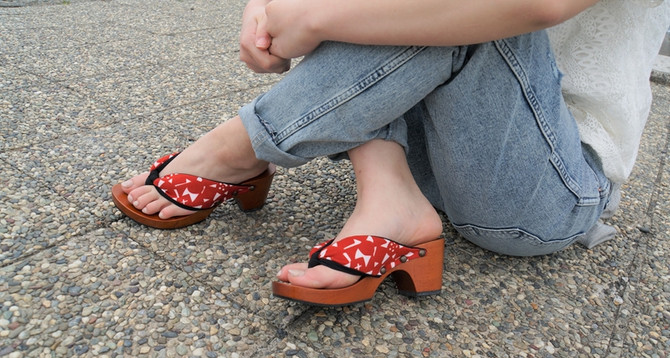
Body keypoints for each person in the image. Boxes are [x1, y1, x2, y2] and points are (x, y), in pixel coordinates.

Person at [112, 0, 670, 305]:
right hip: (440, 145)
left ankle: (238, 147)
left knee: (479, 9)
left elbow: (540, 4)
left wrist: (311, 17)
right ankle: (391, 196)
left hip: (552, 186)